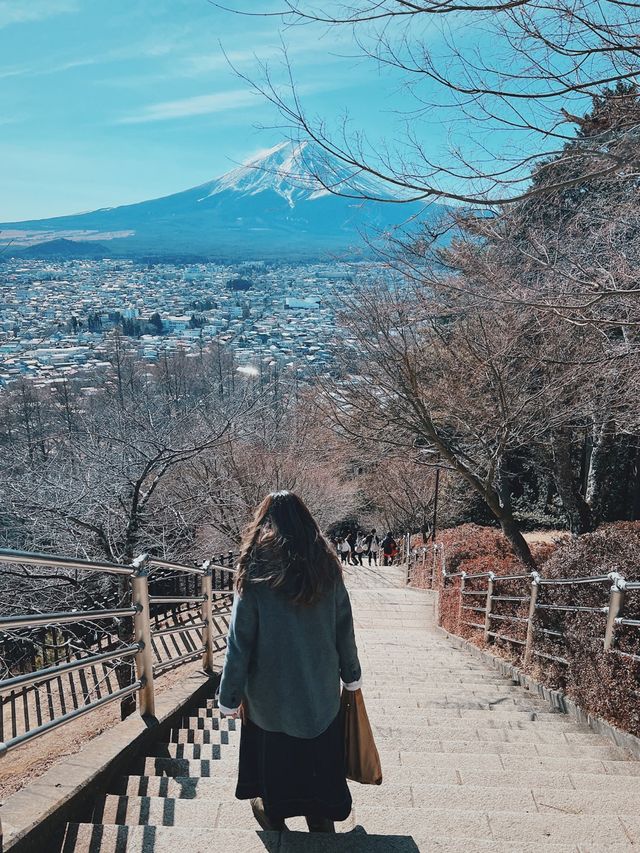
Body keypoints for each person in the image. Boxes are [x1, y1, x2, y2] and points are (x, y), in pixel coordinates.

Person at [217, 491, 363, 834]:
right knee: (318, 752)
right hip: (319, 690)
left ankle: (276, 814)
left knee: (275, 759)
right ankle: (320, 814)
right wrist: (351, 675)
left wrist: (229, 697)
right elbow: (344, 627)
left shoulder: (253, 570)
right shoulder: (326, 567)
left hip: (270, 695)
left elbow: (239, 642)